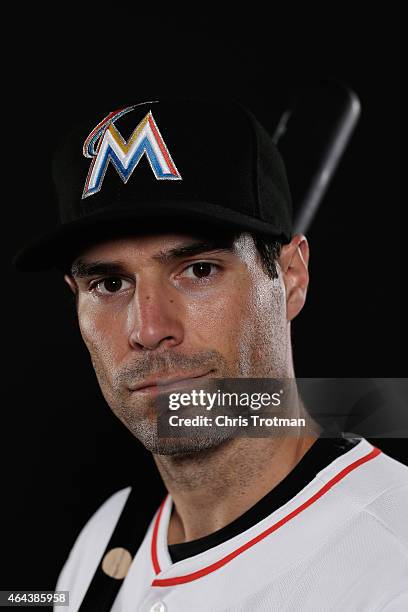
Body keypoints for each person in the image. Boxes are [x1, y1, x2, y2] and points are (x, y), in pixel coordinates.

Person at [15, 99, 408, 611]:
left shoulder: (392, 562)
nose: (150, 329)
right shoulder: (107, 536)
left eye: (199, 270)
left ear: (291, 278)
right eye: (110, 283)